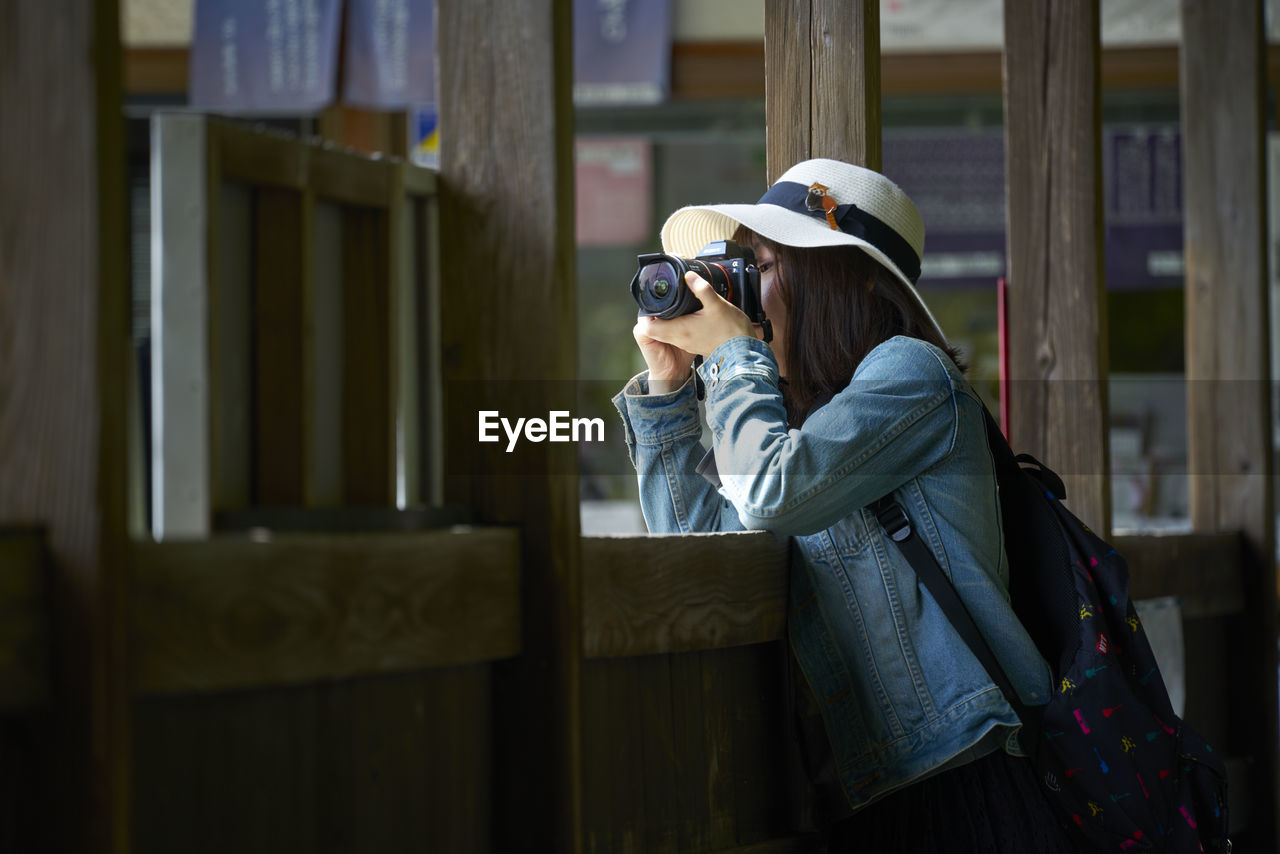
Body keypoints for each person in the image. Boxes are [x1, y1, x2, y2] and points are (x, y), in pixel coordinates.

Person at [612, 159, 1088, 852]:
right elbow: (696, 544)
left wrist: (734, 357)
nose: (745, 293)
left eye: (767, 267)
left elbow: (773, 493)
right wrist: (668, 395)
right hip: (858, 794)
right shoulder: (801, 430)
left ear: (851, 278)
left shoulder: (910, 376)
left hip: (962, 781)